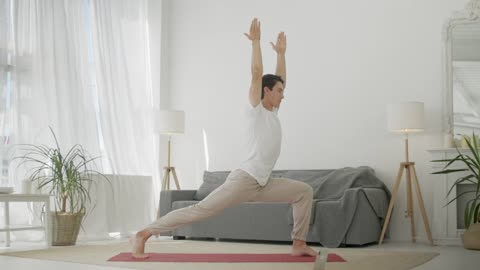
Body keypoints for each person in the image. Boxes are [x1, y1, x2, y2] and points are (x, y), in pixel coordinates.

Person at [131, 18, 317, 258]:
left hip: (264, 183)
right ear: (266, 92)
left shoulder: (273, 113)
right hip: (244, 181)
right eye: (279, 91)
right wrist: (256, 43)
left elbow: (280, 79)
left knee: (304, 191)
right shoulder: (256, 110)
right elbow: (257, 73)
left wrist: (281, 54)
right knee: (200, 210)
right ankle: (143, 234)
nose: (283, 95)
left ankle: (298, 243)